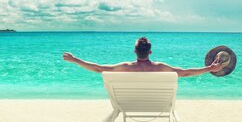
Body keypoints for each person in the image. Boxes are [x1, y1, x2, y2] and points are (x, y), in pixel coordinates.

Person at [62, 37, 224, 77]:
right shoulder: (160, 67)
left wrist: (75, 60)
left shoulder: (126, 67)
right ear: (150, 52)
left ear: (135, 52)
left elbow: (98, 69)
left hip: (128, 105)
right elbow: (185, 72)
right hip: (158, 105)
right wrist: (209, 68)